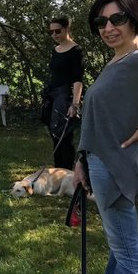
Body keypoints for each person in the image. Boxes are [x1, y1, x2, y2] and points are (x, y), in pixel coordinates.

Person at [73, 0, 138, 274]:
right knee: (120, 246)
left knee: (129, 258)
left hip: (114, 166)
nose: (108, 28)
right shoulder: (118, 60)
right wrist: (81, 160)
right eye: (101, 22)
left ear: (134, 19)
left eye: (117, 19)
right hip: (100, 161)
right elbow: (98, 118)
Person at [42, 16, 84, 170]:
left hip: (65, 98)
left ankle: (66, 173)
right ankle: (56, 170)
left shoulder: (76, 50)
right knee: (54, 134)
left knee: (64, 137)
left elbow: (77, 80)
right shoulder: (55, 50)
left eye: (57, 31)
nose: (54, 34)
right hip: (51, 97)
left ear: (67, 29)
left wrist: (75, 104)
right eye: (51, 32)